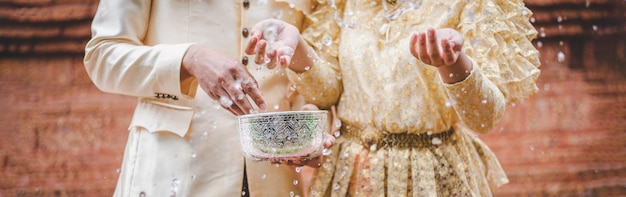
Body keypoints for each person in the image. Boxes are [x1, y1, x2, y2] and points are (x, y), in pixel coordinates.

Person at [245, 0, 541, 196]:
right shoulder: (343, 3)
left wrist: (452, 63)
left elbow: (484, 116)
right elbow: (329, 92)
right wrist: (298, 47)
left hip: (431, 178)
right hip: (350, 176)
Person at [83, 0, 334, 196]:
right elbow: (102, 56)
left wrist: (307, 115)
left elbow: (314, 69)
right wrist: (188, 58)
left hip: (275, 178)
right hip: (174, 172)